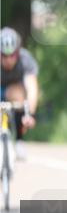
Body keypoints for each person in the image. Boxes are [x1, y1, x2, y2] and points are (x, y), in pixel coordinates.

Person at [1, 27, 37, 160]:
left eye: (12, 56)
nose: (8, 60)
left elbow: (32, 88)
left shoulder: (25, 59)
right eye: (4, 56)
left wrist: (30, 114)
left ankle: (19, 140)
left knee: (17, 94)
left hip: (13, 92)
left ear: (18, 53)